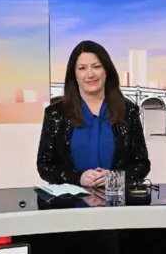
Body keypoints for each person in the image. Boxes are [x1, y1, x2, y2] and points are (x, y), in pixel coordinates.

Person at [37, 40, 151, 187]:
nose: (90, 74)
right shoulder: (55, 113)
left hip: (116, 203)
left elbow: (141, 164)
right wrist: (78, 177)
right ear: (74, 74)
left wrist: (114, 177)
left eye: (96, 67)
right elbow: (45, 166)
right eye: (82, 68)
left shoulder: (129, 111)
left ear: (106, 71)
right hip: (70, 205)